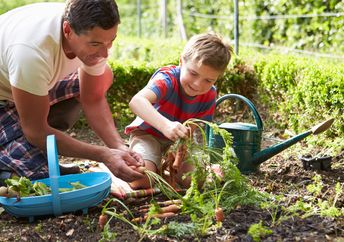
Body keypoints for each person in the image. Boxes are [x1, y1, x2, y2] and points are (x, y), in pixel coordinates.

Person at [0, 0, 144, 185]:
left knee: (101, 76)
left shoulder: (93, 34)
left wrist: (118, 147)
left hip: (25, 85)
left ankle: (34, 144)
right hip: (4, 98)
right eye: (95, 44)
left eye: (111, 41)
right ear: (67, 30)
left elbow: (92, 97)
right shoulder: (31, 52)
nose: (105, 53)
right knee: (38, 181)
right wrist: (103, 155)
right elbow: (35, 131)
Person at [125, 33, 233, 189]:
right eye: (193, 73)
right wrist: (165, 126)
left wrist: (179, 153)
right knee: (140, 180)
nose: (197, 84)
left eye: (208, 80)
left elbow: (190, 130)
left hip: (177, 142)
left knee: (194, 181)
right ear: (181, 61)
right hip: (148, 135)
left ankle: (165, 170)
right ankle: (146, 164)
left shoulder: (209, 95)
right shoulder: (167, 79)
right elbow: (136, 101)